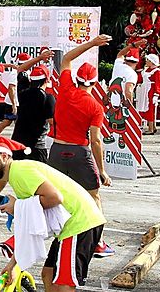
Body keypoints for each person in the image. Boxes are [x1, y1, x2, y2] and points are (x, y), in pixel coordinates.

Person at [0, 135, 106, 291]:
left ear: (4, 156)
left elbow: (54, 198)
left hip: (80, 223)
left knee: (65, 283)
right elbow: (29, 223)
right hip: (72, 225)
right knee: (48, 274)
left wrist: (17, 206)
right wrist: (12, 265)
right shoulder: (16, 173)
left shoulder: (20, 172)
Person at [49, 34, 114, 258]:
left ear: (76, 79)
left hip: (56, 151)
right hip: (79, 152)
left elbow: (65, 59)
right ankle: (98, 242)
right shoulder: (96, 107)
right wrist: (102, 170)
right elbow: (96, 140)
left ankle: (62, 236)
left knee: (60, 195)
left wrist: (92, 43)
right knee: (93, 196)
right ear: (95, 83)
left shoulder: (65, 89)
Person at [0, 65, 56, 218]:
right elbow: (51, 121)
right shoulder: (48, 98)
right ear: (47, 79)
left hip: (17, 142)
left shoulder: (22, 93)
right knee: (42, 179)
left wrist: (37, 60)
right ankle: (33, 207)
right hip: (37, 146)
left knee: (5, 173)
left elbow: (18, 71)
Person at [136, 54, 160, 135]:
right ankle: (153, 127)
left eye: (148, 60)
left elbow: (158, 83)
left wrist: (157, 94)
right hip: (144, 91)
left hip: (151, 91)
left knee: (150, 109)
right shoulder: (145, 70)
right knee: (145, 108)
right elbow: (140, 80)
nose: (146, 61)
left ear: (152, 62)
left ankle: (150, 128)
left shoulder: (157, 71)